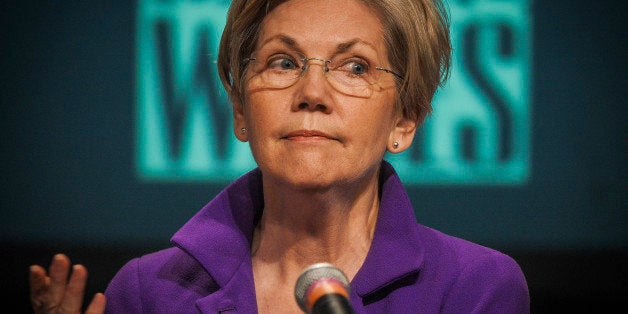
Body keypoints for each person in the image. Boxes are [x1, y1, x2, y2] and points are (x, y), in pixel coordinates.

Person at [29, 0, 530, 312]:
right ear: (241, 109)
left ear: (405, 119)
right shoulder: (150, 294)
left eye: (354, 67)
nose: (312, 91)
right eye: (283, 62)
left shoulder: (474, 290)